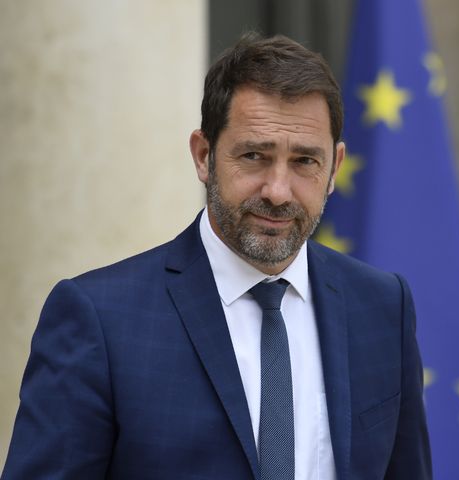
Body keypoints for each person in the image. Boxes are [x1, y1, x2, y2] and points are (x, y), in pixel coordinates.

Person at [2, 34, 431, 479]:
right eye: (254, 156)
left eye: (305, 161)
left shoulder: (383, 306)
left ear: (335, 168)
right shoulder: (99, 319)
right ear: (204, 156)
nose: (278, 191)